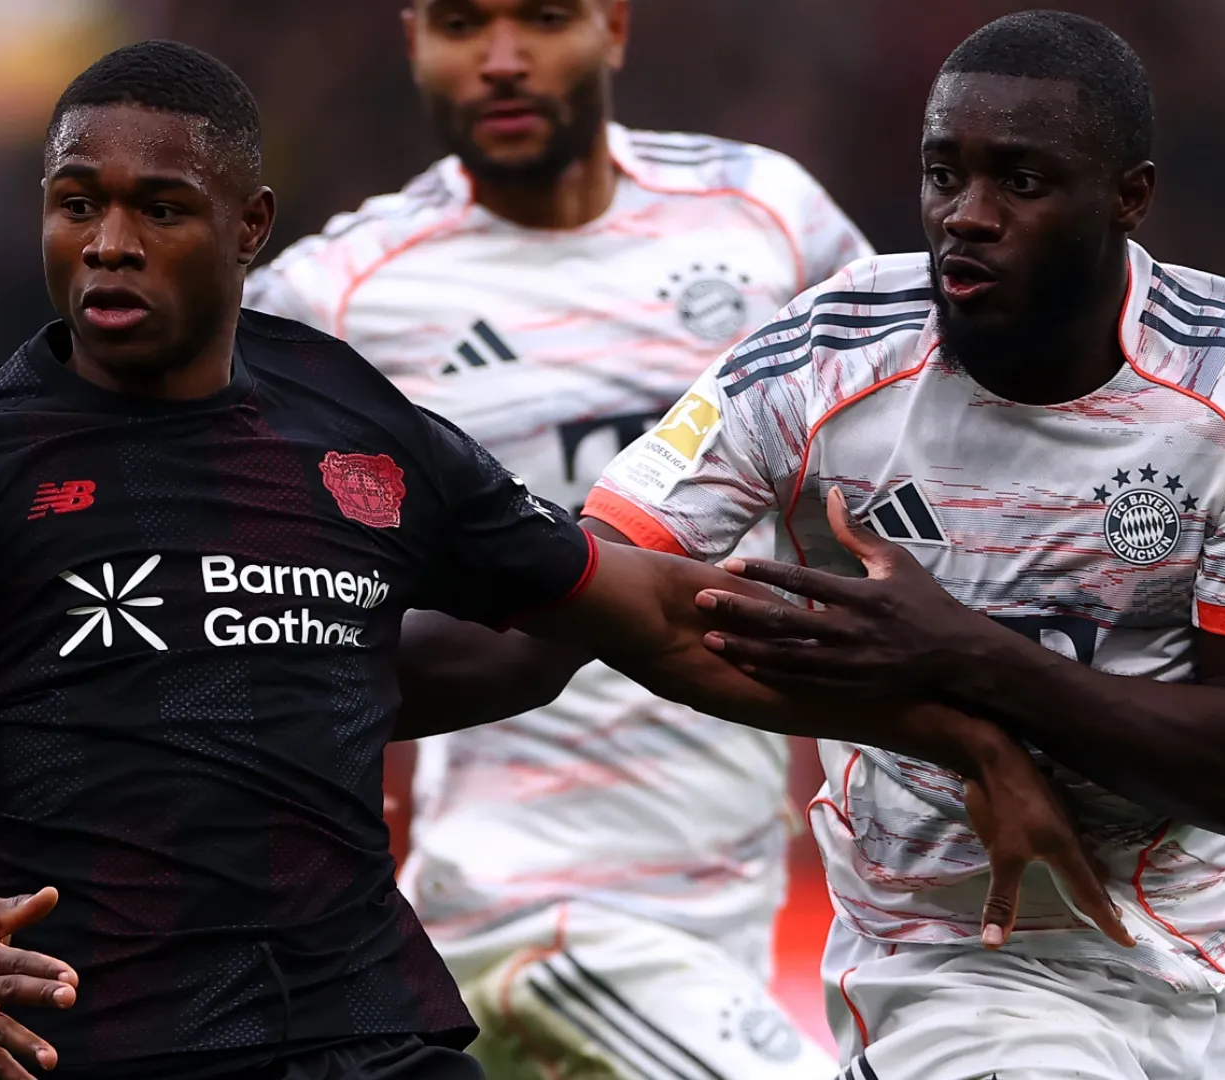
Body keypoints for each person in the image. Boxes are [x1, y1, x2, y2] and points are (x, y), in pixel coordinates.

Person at [0, 39, 1122, 1080]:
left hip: (381, 1037)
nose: (111, 243)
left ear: (251, 228)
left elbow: (628, 619)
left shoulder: (348, 418)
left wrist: (963, 731)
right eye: (77, 204)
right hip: (115, 1048)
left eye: (161, 207)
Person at [574, 12, 1225, 1080]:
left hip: (1204, 967)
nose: (967, 218)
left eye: (1022, 184)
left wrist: (964, 653)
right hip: (956, 966)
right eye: (944, 175)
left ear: (1129, 198)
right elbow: (592, 575)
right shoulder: (828, 353)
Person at [242, 1, 867, 1074]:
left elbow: (897, 480)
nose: (500, 61)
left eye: (540, 17)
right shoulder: (336, 296)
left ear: (614, 28)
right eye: (458, 24)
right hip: (524, 916)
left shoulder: (768, 220)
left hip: (727, 912)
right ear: (412, 41)